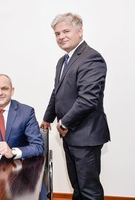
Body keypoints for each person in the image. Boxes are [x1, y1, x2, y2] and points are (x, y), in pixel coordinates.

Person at [40, 13, 110, 200]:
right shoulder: (63, 61)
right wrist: (48, 118)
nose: (61, 36)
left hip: (86, 135)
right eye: (57, 33)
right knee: (77, 187)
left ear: (80, 32)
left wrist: (64, 124)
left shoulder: (91, 58)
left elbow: (88, 99)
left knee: (89, 190)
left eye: (66, 31)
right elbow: (57, 93)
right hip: (71, 136)